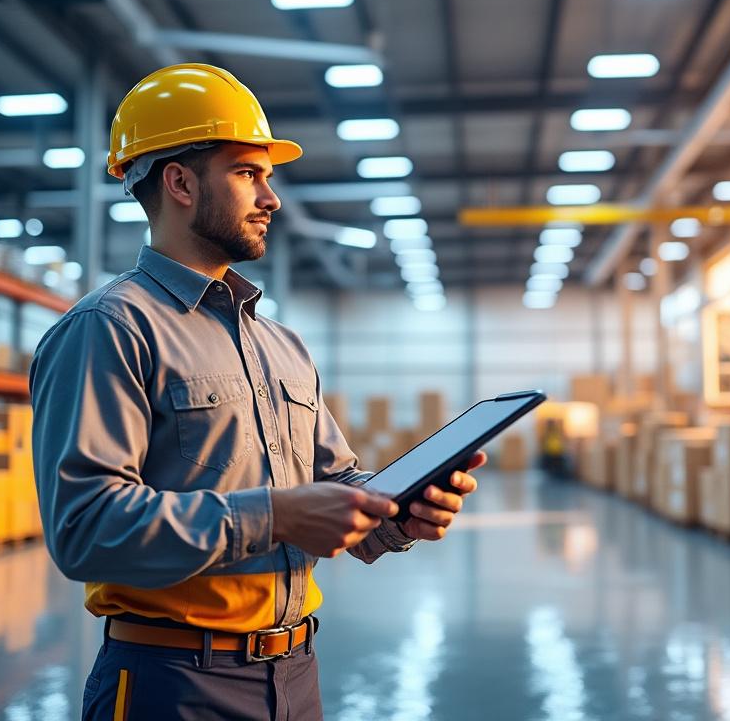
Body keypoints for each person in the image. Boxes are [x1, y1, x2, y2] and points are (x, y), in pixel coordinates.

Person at [29, 63, 485, 720]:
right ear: (180, 182)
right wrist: (274, 515)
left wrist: (398, 515)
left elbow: (337, 488)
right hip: (173, 685)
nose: (270, 197)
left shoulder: (282, 346)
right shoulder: (109, 329)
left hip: (296, 676)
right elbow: (84, 529)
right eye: (248, 173)